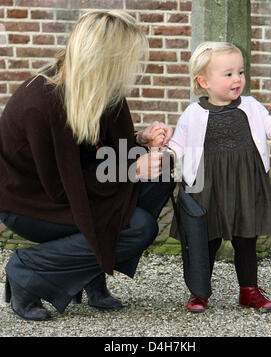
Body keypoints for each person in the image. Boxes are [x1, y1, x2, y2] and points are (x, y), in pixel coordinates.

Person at [0, 10, 173, 321]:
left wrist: (140, 140)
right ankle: (27, 270)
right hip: (32, 203)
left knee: (163, 172)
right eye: (126, 59)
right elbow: (61, 188)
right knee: (138, 228)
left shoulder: (100, 89)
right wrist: (131, 170)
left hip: (73, 186)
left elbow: (95, 152)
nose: (131, 68)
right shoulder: (40, 103)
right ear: (103, 58)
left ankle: (88, 273)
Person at [168, 41, 271, 312]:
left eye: (240, 72)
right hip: (207, 185)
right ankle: (199, 292)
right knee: (207, 239)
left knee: (246, 238)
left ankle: (248, 290)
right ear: (204, 81)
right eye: (228, 74)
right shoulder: (193, 113)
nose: (237, 79)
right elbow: (178, 147)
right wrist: (163, 153)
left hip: (245, 182)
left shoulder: (250, 105)